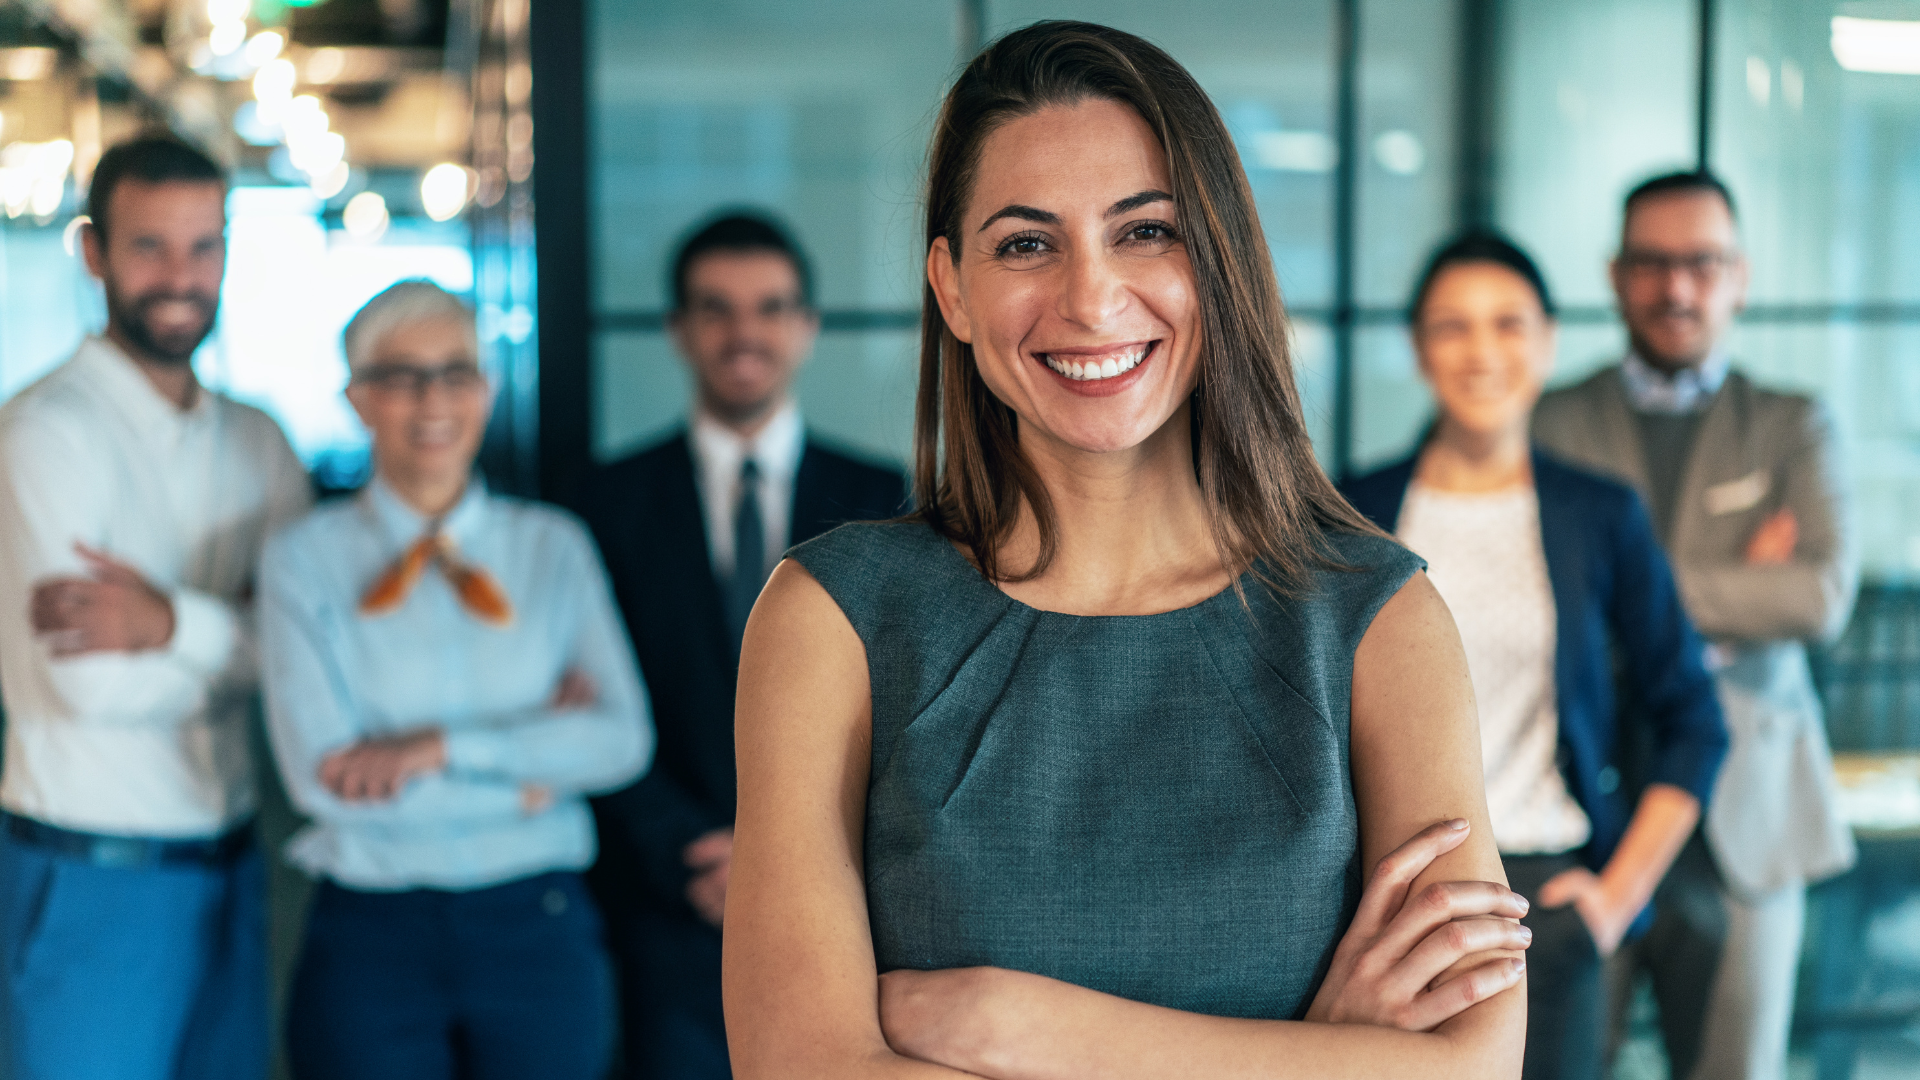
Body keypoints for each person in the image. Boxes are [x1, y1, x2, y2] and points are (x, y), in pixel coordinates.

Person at [723, 22, 1533, 1080]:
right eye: (1025, 243)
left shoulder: (1373, 618)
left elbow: (1472, 1067)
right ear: (952, 287)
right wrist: (1321, 1057)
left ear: (1221, 260)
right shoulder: (830, 619)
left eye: (1146, 232)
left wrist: (1018, 1027)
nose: (1091, 299)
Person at [1340, 233, 1729, 1080]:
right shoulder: (1350, 510)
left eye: (1508, 324)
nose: (1482, 352)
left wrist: (1613, 899)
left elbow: (1695, 719)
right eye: (1453, 327)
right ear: (1418, 348)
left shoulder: (1599, 513)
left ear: (1548, 342)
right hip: (1390, 908)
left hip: (1543, 906)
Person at [258, 281, 652, 1080]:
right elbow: (323, 781)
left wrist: (433, 750)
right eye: (401, 376)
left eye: (456, 373)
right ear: (358, 400)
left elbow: (621, 741)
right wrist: (533, 770)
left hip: (536, 926)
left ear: (488, 389)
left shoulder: (554, 547)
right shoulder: (302, 560)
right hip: (372, 932)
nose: (433, 400)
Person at [1533, 171, 1858, 1080]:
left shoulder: (1792, 425)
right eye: (1653, 263)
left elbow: (1818, 593)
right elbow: (1533, 600)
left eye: (1703, 264)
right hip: (1583, 810)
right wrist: (1733, 590)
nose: (1677, 287)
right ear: (1615, 275)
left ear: (1740, 277)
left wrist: (1627, 589)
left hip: (1748, 820)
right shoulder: (1554, 421)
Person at [0, 133, 310, 1080]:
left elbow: (310, 656)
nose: (182, 277)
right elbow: (86, 692)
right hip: (91, 882)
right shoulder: (41, 436)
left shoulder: (262, 443)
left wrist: (168, 626)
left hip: (236, 873)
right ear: (93, 251)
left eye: (203, 245)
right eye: (149, 246)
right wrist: (237, 635)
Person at [582, 212, 905, 1079]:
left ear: (807, 326)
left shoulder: (887, 501)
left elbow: (903, 707)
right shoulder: (605, 506)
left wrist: (796, 856)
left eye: (769, 307)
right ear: (678, 329)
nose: (744, 333)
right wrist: (690, 851)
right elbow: (585, 699)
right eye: (716, 309)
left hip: (841, 903)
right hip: (667, 893)